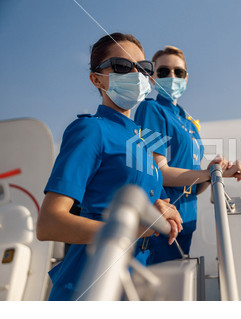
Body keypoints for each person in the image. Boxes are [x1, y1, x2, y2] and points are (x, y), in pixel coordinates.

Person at [36, 33, 182, 301]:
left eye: (143, 67)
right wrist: (135, 229)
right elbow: (49, 224)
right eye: (122, 66)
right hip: (89, 283)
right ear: (96, 78)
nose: (136, 74)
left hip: (134, 282)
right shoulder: (91, 130)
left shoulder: (143, 139)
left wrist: (157, 207)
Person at [134, 46, 241, 265]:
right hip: (161, 222)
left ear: (186, 79)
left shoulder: (189, 123)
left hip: (186, 219)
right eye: (164, 72)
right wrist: (206, 173)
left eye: (178, 72)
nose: (172, 77)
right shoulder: (152, 110)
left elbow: (194, 186)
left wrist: (217, 173)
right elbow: (160, 172)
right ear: (152, 78)